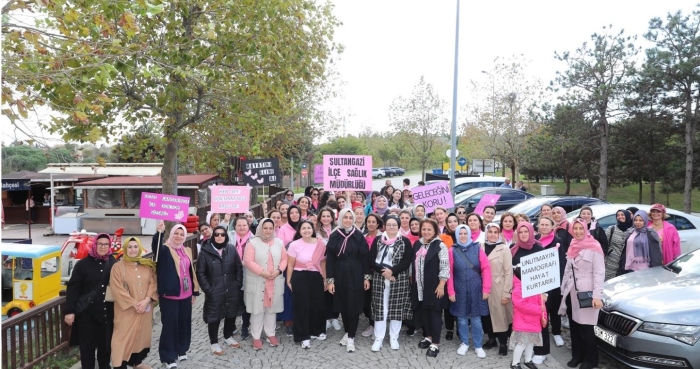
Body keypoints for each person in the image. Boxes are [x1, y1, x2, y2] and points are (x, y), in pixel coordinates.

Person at [64, 233, 117, 369]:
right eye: (100, 244)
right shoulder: (82, 265)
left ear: (110, 246)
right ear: (94, 245)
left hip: (107, 315)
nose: (103, 247)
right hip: (87, 316)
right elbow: (73, 288)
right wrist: (69, 311)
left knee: (105, 352)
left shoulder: (114, 263)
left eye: (106, 244)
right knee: (87, 353)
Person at [151, 223, 199, 369]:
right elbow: (156, 249)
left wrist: (194, 292)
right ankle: (169, 356)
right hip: (170, 295)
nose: (179, 236)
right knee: (170, 326)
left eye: (181, 234)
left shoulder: (187, 250)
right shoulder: (165, 249)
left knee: (184, 323)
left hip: (186, 294)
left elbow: (191, 272)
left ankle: (181, 349)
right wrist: (159, 232)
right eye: (176, 233)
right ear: (171, 234)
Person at [558, 219, 605, 369]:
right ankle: (577, 355)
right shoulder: (573, 245)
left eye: (580, 229)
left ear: (586, 229)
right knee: (574, 326)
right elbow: (568, 269)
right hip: (572, 291)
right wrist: (563, 289)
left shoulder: (595, 247)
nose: (578, 231)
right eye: (575, 228)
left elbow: (599, 273)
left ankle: (590, 359)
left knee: (586, 328)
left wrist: (597, 295)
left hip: (587, 291)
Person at [326, 208, 371, 353]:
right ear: (340, 219)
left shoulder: (358, 235)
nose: (347, 220)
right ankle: (347, 331)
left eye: (350, 218)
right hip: (340, 272)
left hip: (356, 272)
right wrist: (330, 280)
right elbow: (330, 259)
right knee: (343, 303)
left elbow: (365, 257)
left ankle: (351, 337)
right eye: (345, 217)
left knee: (354, 304)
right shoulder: (335, 236)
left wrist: (366, 277)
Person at [368, 216, 414, 351]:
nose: (392, 227)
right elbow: (371, 259)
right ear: (385, 226)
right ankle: (379, 337)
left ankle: (394, 337)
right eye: (389, 224)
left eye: (394, 225)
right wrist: (385, 272)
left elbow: (407, 260)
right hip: (380, 278)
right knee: (380, 308)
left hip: (398, 279)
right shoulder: (378, 240)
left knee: (396, 308)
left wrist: (393, 272)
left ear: (398, 226)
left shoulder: (404, 241)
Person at [110, 237, 158, 369]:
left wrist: (147, 300)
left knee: (141, 335)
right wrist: (135, 304)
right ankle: (119, 365)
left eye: (135, 247)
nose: (133, 250)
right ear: (125, 249)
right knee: (121, 338)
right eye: (130, 247)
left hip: (145, 308)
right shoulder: (118, 267)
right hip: (126, 310)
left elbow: (153, 284)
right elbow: (117, 288)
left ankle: (136, 362)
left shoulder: (146, 265)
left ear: (140, 248)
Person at [196, 226, 244, 355]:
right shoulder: (205, 252)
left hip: (231, 289)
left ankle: (228, 336)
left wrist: (237, 284)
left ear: (225, 236)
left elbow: (238, 268)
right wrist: (209, 290)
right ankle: (214, 343)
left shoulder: (231, 249)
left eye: (222, 234)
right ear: (213, 236)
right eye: (216, 234)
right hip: (214, 291)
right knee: (214, 317)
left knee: (230, 314)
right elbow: (200, 273)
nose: (219, 237)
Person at [447, 225, 492, 359]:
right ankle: (465, 342)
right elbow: (449, 272)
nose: (462, 236)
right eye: (460, 234)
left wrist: (486, 289)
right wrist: (451, 291)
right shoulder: (452, 250)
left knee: (476, 319)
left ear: (469, 234)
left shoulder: (477, 248)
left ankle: (478, 345)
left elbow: (486, 269)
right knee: (461, 318)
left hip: (476, 288)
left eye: (465, 233)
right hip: (459, 288)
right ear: (456, 235)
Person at [243, 218, 288, 350]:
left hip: (274, 280)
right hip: (258, 279)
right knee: (257, 310)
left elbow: (285, 259)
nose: (268, 231)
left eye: (270, 228)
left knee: (271, 309)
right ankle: (256, 337)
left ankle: (270, 333)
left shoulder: (279, 242)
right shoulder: (252, 243)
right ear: (260, 228)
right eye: (265, 228)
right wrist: (262, 272)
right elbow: (248, 261)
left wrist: (279, 270)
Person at [509, 222, 545, 369]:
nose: (523, 234)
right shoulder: (514, 248)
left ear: (531, 232)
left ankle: (528, 360)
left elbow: (544, 270)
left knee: (531, 340)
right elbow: (521, 304)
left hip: (537, 289)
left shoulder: (539, 248)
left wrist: (543, 300)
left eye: (526, 231)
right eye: (521, 232)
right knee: (523, 341)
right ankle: (515, 363)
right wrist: (539, 310)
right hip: (524, 310)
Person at [412, 219, 450, 358]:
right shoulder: (417, 244)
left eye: (429, 229)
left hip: (435, 286)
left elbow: (445, 266)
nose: (426, 232)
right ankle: (428, 336)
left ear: (435, 231)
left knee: (435, 314)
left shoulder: (440, 245)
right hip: (420, 286)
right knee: (424, 312)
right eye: (424, 229)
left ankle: (435, 343)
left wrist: (441, 285)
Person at [287, 220, 327, 348]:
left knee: (318, 304)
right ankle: (303, 336)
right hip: (300, 275)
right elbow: (290, 264)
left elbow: (323, 263)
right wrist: (289, 280)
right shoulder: (294, 245)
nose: (306, 230)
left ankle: (317, 330)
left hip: (316, 275)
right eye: (303, 228)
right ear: (299, 231)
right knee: (301, 305)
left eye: (308, 228)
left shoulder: (320, 244)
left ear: (313, 229)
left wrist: (325, 279)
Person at [531, 216, 565, 364]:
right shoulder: (533, 239)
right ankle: (539, 344)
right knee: (540, 313)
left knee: (552, 309)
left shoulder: (558, 241)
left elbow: (561, 263)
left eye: (547, 224)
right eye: (541, 224)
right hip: (536, 283)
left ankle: (556, 332)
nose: (544, 227)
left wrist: (558, 282)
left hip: (552, 282)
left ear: (552, 226)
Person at [480, 223, 513, 356]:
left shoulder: (504, 249)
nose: (492, 234)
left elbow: (508, 272)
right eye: (490, 232)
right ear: (486, 233)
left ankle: (503, 342)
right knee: (486, 315)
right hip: (482, 286)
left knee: (500, 315)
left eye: (495, 232)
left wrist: (506, 292)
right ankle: (491, 339)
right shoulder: (480, 247)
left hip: (498, 286)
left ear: (499, 234)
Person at [317, 207, 343, 332]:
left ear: (332, 218)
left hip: (336, 264)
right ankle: (327, 318)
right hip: (321, 264)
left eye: (328, 216)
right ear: (320, 218)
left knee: (335, 291)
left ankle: (335, 317)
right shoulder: (316, 231)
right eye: (323, 216)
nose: (326, 218)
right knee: (325, 291)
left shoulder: (338, 230)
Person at [228, 217, 253, 338]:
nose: (242, 227)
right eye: (239, 225)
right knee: (233, 299)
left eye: (244, 225)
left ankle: (245, 326)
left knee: (246, 300)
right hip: (232, 273)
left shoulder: (253, 239)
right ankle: (231, 325)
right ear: (235, 226)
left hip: (248, 273)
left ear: (248, 226)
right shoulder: (230, 238)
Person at [617, 210, 663, 276]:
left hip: (646, 269)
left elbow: (657, 251)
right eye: (635, 220)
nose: (637, 222)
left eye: (640, 220)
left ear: (645, 220)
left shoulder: (651, 233)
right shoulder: (630, 232)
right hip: (630, 267)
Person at [604, 210, 632, 281]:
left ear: (627, 216)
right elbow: (604, 245)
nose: (620, 217)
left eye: (622, 215)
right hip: (610, 264)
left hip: (626, 265)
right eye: (618, 215)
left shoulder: (632, 230)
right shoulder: (611, 229)